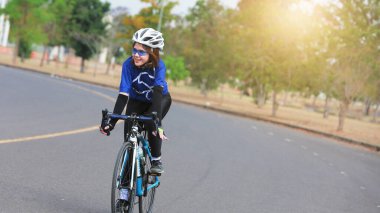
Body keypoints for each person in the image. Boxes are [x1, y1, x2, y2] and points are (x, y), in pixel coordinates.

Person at [100, 28, 171, 174]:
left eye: (142, 52)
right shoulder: (128, 65)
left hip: (158, 100)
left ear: (152, 53)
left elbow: (157, 92)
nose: (136, 55)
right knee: (129, 144)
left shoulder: (159, 66)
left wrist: (157, 122)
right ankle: (125, 194)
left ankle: (156, 160)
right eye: (134, 50)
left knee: (152, 122)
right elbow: (123, 95)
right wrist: (112, 122)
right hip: (136, 101)